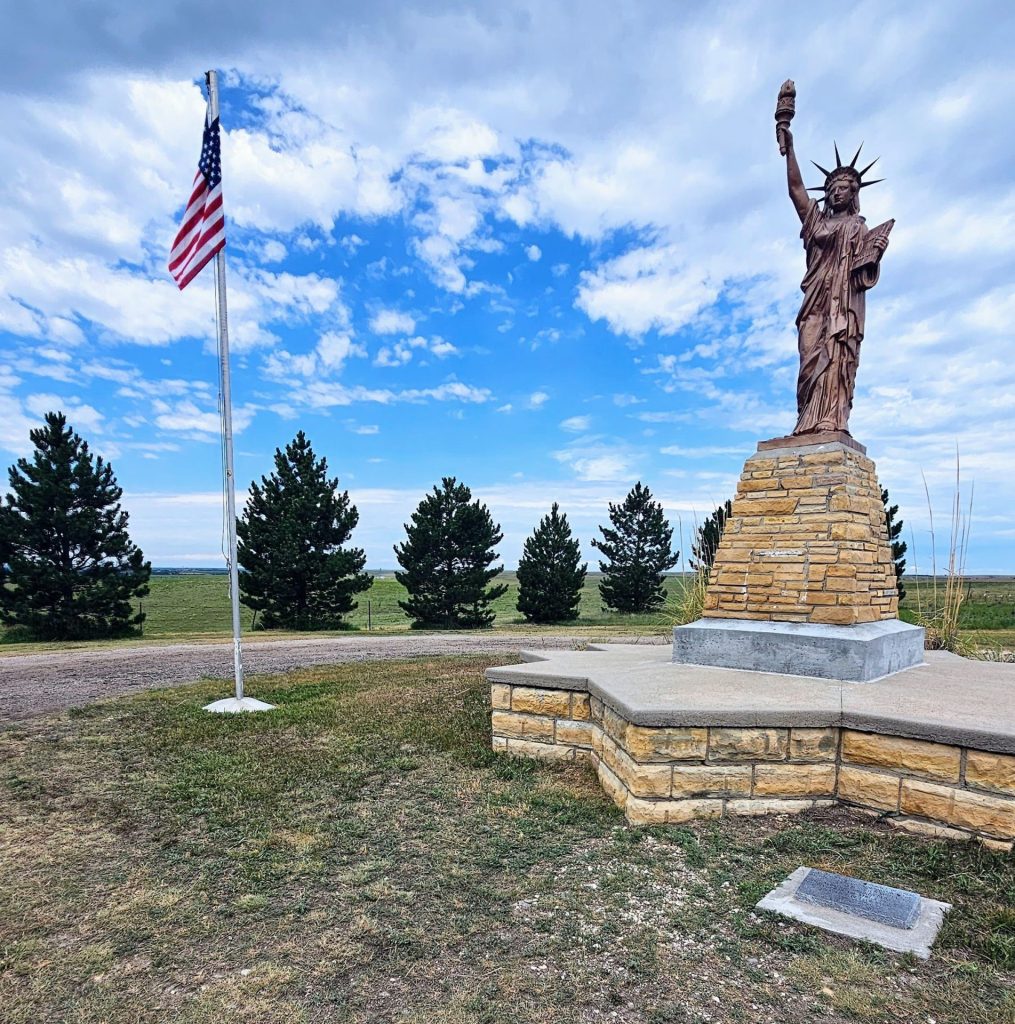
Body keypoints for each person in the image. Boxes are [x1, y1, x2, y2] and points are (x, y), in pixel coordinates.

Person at [780, 127, 890, 435]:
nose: (837, 192)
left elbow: (863, 274)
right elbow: (796, 190)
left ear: (854, 194)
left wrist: (875, 252)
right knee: (808, 360)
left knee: (837, 355)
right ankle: (806, 420)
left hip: (842, 306)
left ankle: (831, 418)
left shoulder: (858, 226)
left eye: (844, 188)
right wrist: (790, 150)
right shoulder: (816, 221)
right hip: (815, 303)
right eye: (834, 187)